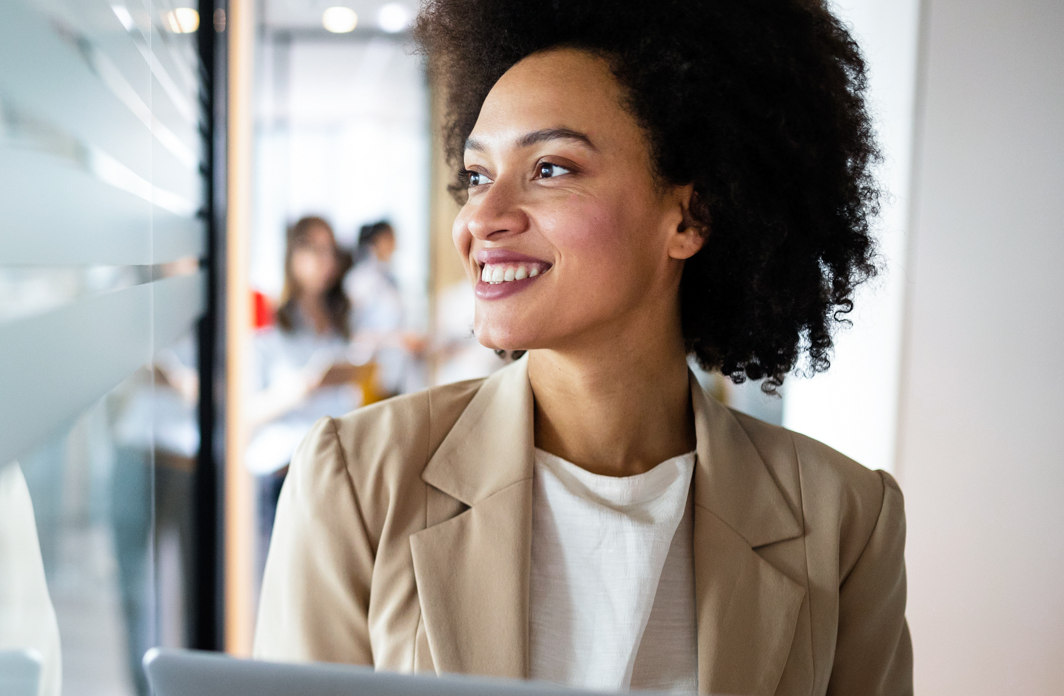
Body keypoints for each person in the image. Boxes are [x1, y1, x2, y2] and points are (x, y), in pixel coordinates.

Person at [254, 1, 909, 695]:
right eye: (478, 176)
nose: (482, 217)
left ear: (690, 216)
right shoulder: (356, 483)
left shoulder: (845, 522)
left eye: (551, 168)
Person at [244, 216, 362, 568]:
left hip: (332, 474)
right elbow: (245, 411)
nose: (323, 260)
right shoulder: (270, 323)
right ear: (292, 253)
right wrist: (303, 386)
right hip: (282, 472)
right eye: (312, 248)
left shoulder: (341, 322)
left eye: (330, 250)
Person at [343, 220, 425, 399]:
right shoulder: (359, 280)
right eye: (390, 238)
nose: (395, 244)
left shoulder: (392, 280)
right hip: (369, 372)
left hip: (396, 373)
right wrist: (398, 340)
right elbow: (352, 331)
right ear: (376, 242)